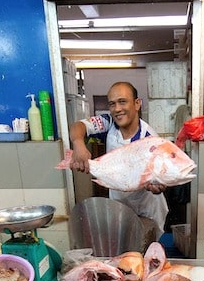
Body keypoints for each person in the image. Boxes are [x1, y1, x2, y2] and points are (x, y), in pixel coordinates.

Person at [69, 81, 168, 238]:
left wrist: (158, 185)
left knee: (146, 248)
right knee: (123, 247)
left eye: (122, 102)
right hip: (119, 203)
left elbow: (161, 175)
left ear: (137, 104)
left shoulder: (149, 139)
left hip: (147, 207)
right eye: (112, 104)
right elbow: (77, 126)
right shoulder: (108, 123)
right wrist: (78, 144)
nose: (117, 109)